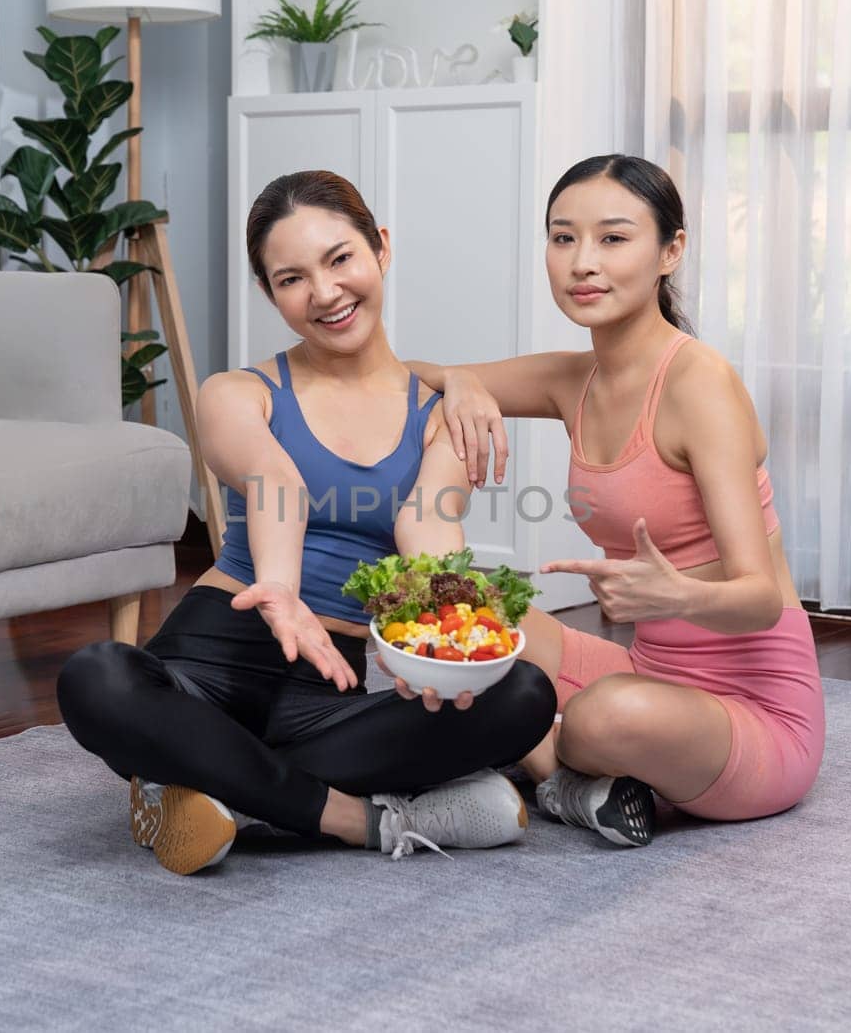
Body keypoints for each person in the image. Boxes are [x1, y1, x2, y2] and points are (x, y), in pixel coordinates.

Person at [56, 170, 556, 874]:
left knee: (524, 694)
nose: (324, 293)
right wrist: (282, 592)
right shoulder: (238, 392)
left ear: (380, 247)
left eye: (340, 258)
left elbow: (426, 525)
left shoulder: (440, 411)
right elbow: (275, 480)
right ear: (269, 292)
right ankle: (355, 819)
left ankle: (204, 778)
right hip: (219, 647)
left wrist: (447, 640)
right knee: (97, 678)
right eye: (292, 278)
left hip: (331, 687)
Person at [405, 155, 825, 847]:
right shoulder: (575, 379)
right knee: (466, 620)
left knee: (604, 717)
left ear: (670, 251)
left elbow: (759, 595)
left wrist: (678, 594)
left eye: (613, 238)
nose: (582, 262)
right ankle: (568, 781)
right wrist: (461, 381)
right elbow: (409, 377)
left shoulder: (700, 383)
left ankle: (535, 757)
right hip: (648, 670)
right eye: (563, 237)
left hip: (753, 714)